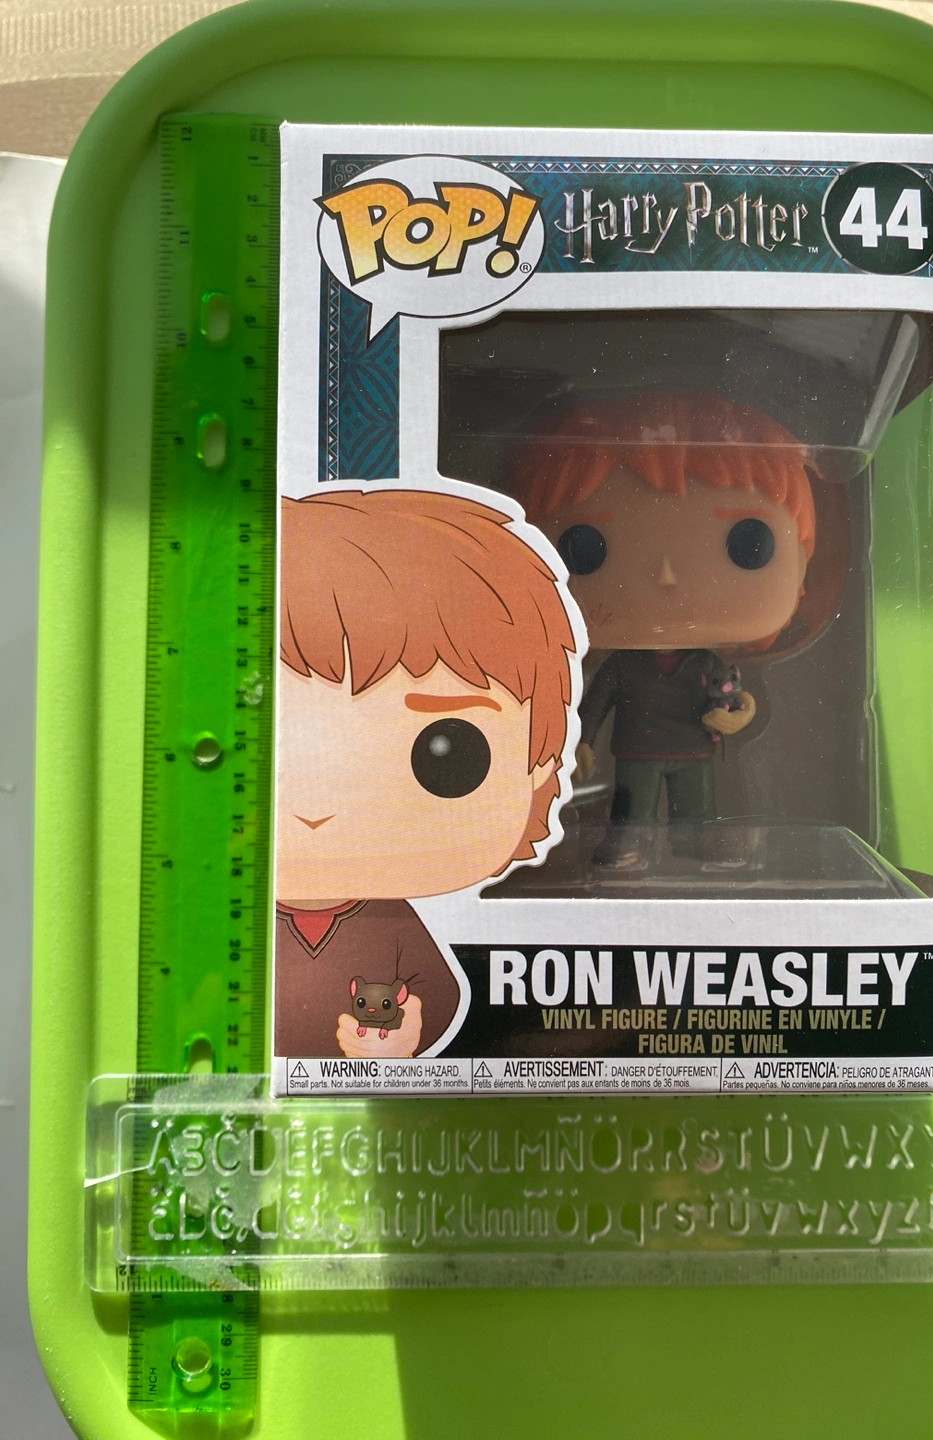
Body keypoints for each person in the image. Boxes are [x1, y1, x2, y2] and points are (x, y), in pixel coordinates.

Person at [275, 486, 578, 1056]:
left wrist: (407, 1036)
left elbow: (435, 993)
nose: (317, 807)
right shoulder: (232, 912)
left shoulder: (388, 919)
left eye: (446, 752)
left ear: (538, 767)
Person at [514, 394, 818, 869]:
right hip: (637, 749)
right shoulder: (623, 665)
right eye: (585, 548)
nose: (667, 576)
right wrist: (581, 740)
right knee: (632, 804)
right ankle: (623, 845)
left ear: (802, 563)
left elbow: (736, 697)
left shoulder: (707, 662)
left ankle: (696, 844)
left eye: (747, 545)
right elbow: (594, 702)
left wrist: (742, 713)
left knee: (696, 806)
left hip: (693, 747)